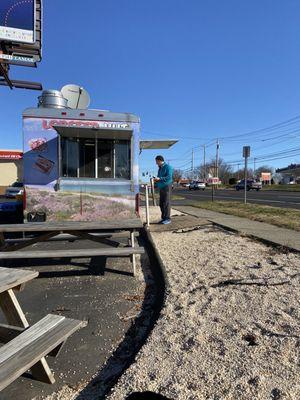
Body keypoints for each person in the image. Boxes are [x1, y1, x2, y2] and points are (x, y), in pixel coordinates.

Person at [153, 155, 173, 224]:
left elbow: (169, 177)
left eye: (156, 161)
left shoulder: (168, 167)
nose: (156, 163)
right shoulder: (160, 169)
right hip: (161, 187)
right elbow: (158, 178)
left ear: (160, 160)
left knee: (166, 202)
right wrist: (155, 183)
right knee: (161, 203)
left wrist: (160, 178)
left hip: (167, 186)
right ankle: (164, 218)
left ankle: (168, 218)